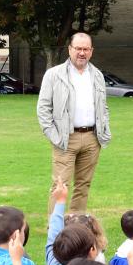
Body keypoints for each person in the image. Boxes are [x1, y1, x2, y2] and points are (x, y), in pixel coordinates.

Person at [37, 32, 111, 213]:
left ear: (91, 51)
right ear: (70, 49)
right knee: (60, 185)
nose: (82, 53)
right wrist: (54, 136)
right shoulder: (54, 74)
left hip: (92, 139)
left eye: (86, 49)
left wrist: (104, 129)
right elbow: (43, 108)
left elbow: (103, 106)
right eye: (78, 48)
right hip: (65, 139)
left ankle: (76, 228)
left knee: (83, 185)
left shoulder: (97, 75)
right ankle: (54, 231)